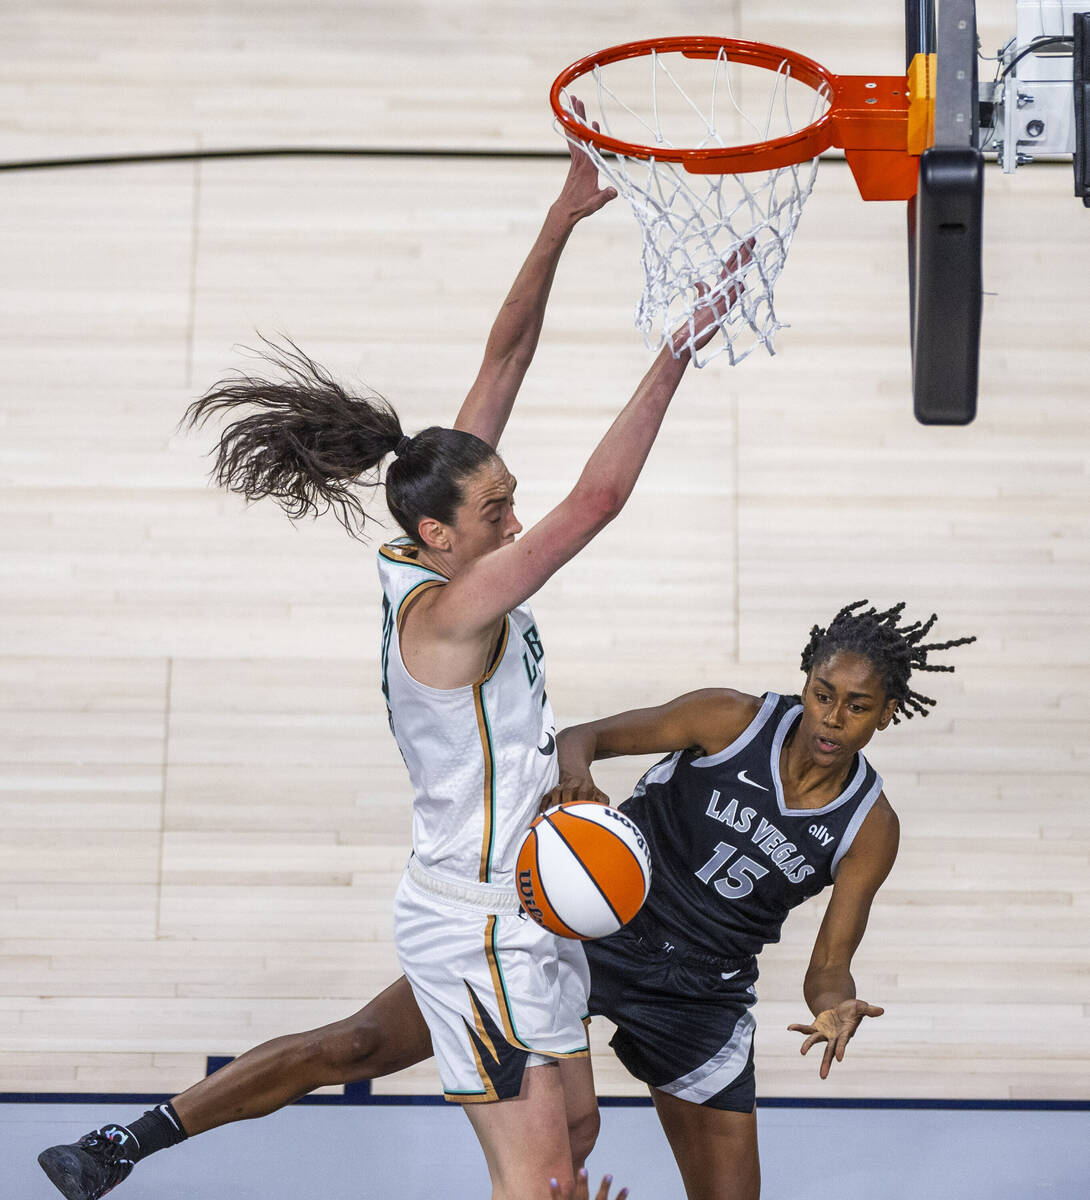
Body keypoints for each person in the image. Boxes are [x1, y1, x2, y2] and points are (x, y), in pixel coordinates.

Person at [36, 105, 748, 1200]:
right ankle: (138, 1142)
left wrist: (562, 217)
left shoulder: (430, 531)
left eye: (510, 502)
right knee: (544, 1179)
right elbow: (597, 503)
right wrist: (676, 349)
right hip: (480, 915)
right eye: (498, 508)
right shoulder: (451, 612)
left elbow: (504, 355)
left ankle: (125, 1146)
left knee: (563, 1126)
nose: (514, 518)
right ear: (438, 534)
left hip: (522, 903)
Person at [39, 601, 972, 1200]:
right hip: (583, 926)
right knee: (359, 1043)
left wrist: (834, 1006)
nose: (830, 718)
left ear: (887, 714)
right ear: (805, 681)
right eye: (822, 693)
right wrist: (577, 793)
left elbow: (826, 964)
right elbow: (585, 737)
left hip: (701, 994)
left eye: (855, 706)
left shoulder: (868, 825)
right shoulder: (733, 718)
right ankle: (127, 1142)